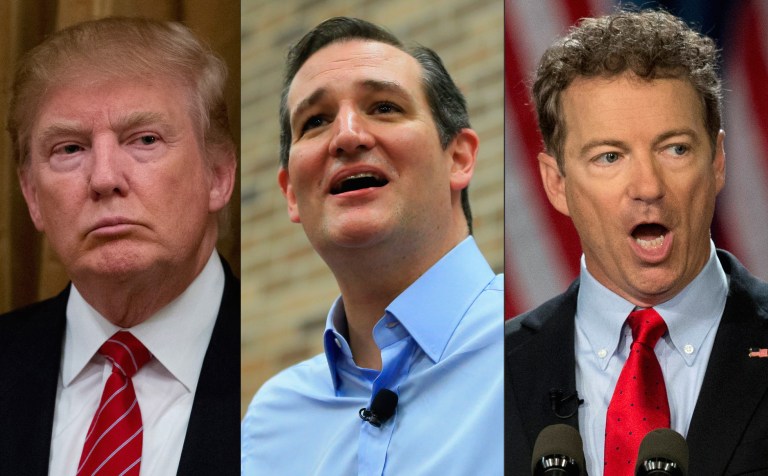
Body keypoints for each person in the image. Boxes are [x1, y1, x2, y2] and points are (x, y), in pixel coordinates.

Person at [505, 8, 768, 476]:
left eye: (676, 149)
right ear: (556, 183)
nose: (647, 186)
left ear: (719, 161)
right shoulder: (488, 377)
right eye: (609, 156)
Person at [241, 17, 503, 475]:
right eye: (315, 121)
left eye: (383, 107)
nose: (346, 136)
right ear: (290, 194)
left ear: (458, 158)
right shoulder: (269, 422)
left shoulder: (544, 346)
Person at [0, 17, 239, 475]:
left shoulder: (296, 373)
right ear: (32, 196)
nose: (104, 178)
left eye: (144, 139)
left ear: (218, 175)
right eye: (69, 149)